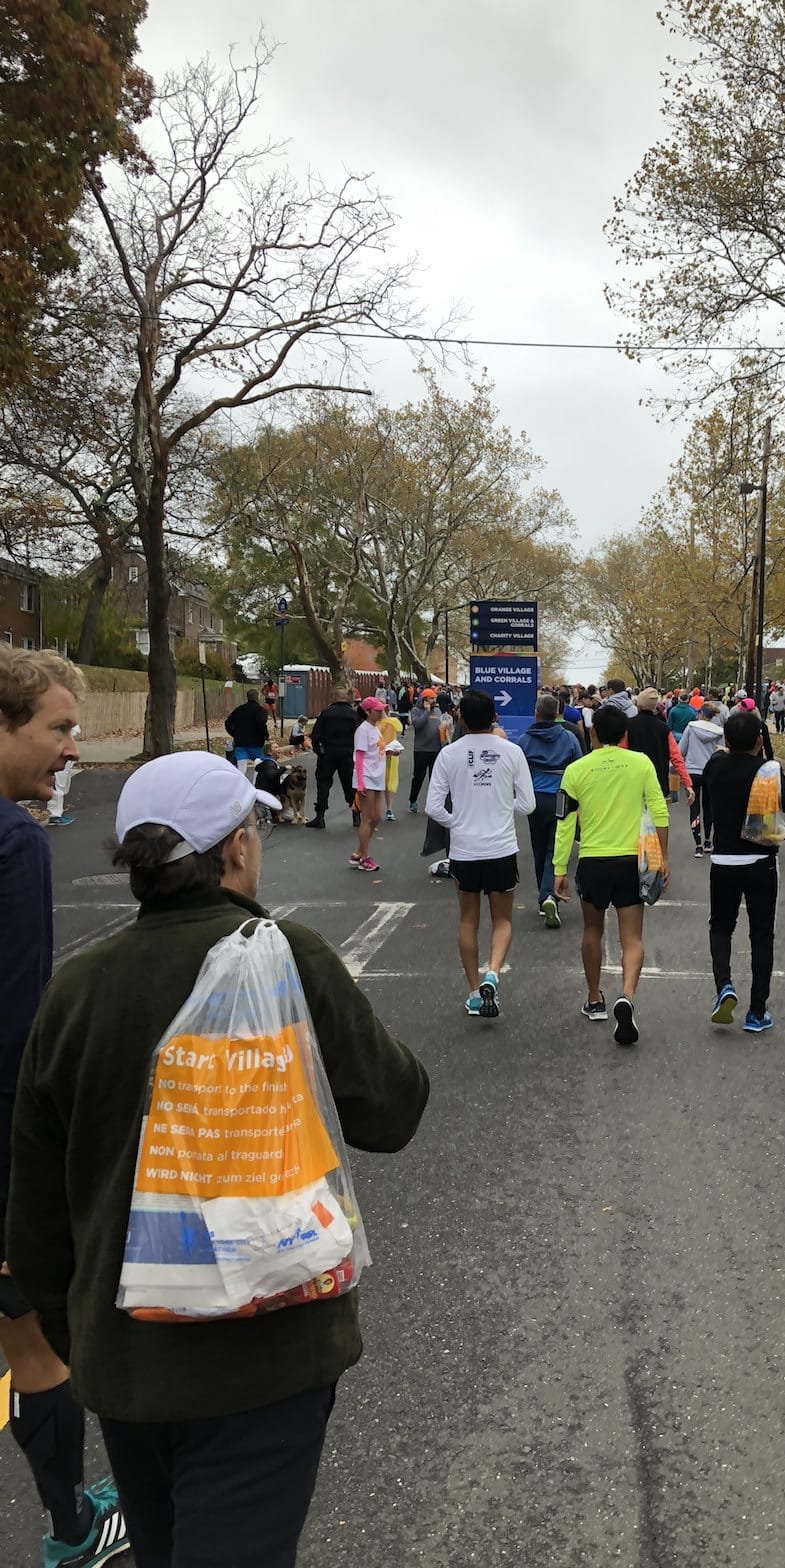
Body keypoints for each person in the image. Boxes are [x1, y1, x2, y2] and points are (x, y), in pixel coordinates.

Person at [6, 750, 429, 1568]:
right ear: (235, 850)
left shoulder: (76, 990)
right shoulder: (288, 957)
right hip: (267, 1357)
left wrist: (87, 1336)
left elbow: (36, 1211)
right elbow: (392, 1111)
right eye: (255, 827)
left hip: (127, 1363)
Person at [0, 650, 129, 1567]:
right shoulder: (13, 843)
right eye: (56, 729)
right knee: (36, 1341)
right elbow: (18, 1025)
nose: (70, 748)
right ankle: (72, 1526)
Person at [553, 704, 669, 1044]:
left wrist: (559, 868)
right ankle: (627, 996)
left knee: (592, 929)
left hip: (592, 861)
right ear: (625, 735)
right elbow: (659, 812)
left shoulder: (575, 770)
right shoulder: (641, 763)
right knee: (631, 938)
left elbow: (564, 822)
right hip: (631, 862)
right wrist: (660, 860)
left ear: (592, 733)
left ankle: (594, 998)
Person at [426, 690, 536, 1018]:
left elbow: (434, 807)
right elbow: (527, 804)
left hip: (464, 849)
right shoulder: (512, 751)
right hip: (501, 847)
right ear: (495, 718)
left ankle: (474, 992)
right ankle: (494, 973)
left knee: (468, 919)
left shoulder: (448, 754)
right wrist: (503, 809)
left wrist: (456, 821)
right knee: (502, 919)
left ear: (460, 718)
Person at [703, 709, 785, 1028]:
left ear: (726, 739)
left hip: (723, 860)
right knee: (761, 934)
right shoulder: (768, 770)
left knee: (721, 926)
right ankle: (757, 1012)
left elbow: (718, 761)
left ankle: (724, 987)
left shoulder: (715, 766)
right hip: (760, 861)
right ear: (760, 739)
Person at [518, 693, 582, 929]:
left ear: (536, 713)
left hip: (534, 799)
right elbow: (579, 766)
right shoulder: (568, 737)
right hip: (561, 798)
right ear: (557, 713)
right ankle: (548, 895)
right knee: (555, 848)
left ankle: (543, 895)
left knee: (538, 845)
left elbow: (518, 770)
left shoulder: (525, 739)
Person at [306, 687, 359, 829]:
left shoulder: (326, 713)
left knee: (323, 784)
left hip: (328, 753)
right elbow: (358, 735)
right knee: (349, 784)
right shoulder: (353, 715)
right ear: (345, 698)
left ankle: (320, 816)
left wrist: (319, 751)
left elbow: (315, 736)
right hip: (347, 753)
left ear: (333, 697)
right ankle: (356, 814)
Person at [678, 703, 725, 855]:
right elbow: (722, 752)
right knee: (709, 807)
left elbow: (681, 750)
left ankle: (697, 844)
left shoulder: (691, 727)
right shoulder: (719, 732)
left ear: (701, 713)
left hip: (693, 771)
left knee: (694, 808)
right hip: (711, 771)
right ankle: (708, 841)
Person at [351, 696, 387, 873]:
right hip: (366, 776)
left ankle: (359, 851)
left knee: (377, 817)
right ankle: (364, 856)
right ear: (367, 711)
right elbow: (359, 755)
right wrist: (360, 782)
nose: (381, 712)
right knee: (367, 818)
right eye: (377, 710)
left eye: (381, 710)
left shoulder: (375, 729)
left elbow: (376, 750)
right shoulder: (363, 730)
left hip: (377, 776)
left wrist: (390, 752)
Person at [407, 688, 442, 812]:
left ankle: (433, 803)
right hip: (421, 749)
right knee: (419, 777)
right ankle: (413, 800)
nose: (434, 701)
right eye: (432, 698)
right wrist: (426, 712)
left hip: (436, 748)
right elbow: (417, 724)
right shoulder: (416, 711)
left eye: (435, 698)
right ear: (425, 700)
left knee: (435, 778)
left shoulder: (438, 711)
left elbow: (441, 725)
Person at [224, 687, 270, 774]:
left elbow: (228, 722)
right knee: (258, 767)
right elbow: (261, 723)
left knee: (241, 769)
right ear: (258, 697)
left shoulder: (239, 709)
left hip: (241, 743)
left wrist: (234, 733)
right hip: (256, 743)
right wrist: (265, 735)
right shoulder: (261, 710)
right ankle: (255, 785)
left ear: (247, 697)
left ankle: (239, 785)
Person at [46, 722, 82, 826]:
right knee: (58, 786)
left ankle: (58, 813)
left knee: (63, 786)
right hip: (57, 756)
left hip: (65, 756)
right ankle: (54, 815)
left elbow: (75, 730)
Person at [376, 704, 404, 821]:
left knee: (389, 783)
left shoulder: (391, 722)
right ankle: (377, 810)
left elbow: (399, 728)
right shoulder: (372, 724)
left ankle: (389, 809)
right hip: (377, 755)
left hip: (391, 754)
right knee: (377, 784)